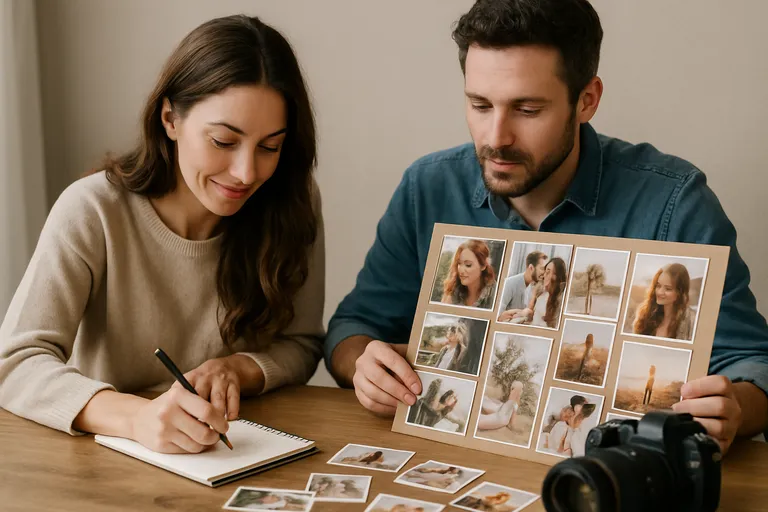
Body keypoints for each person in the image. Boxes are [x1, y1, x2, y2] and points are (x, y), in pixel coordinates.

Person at [325, 0, 768, 455]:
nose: (496, 137)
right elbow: (353, 327)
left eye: (528, 109)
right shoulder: (427, 187)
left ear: (587, 100)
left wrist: (736, 408)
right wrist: (364, 365)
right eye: (479, 104)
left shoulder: (675, 203)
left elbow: (752, 363)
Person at [0, 15, 325, 454]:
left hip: (236, 454)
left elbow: (302, 344)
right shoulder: (93, 210)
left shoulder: (291, 201)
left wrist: (238, 369)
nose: (247, 173)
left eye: (270, 147)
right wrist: (136, 418)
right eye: (224, 142)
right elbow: (15, 363)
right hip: (103, 459)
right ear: (170, 119)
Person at [633, 263, 696, 341]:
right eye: (658, 286)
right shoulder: (645, 314)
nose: (660, 292)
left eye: (668, 289)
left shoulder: (692, 322)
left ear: (680, 292)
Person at [507, 257, 567, 328]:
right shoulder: (539, 291)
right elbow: (530, 309)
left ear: (556, 276)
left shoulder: (561, 299)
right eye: (545, 271)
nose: (544, 275)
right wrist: (521, 313)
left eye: (548, 272)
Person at [439, 239, 497, 309]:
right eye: (459, 263)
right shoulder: (454, 290)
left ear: (483, 266)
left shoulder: (495, 294)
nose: (461, 270)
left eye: (468, 265)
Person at [498, 250, 547, 320]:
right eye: (542, 268)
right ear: (531, 268)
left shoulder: (534, 287)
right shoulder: (510, 283)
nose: (544, 273)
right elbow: (498, 315)